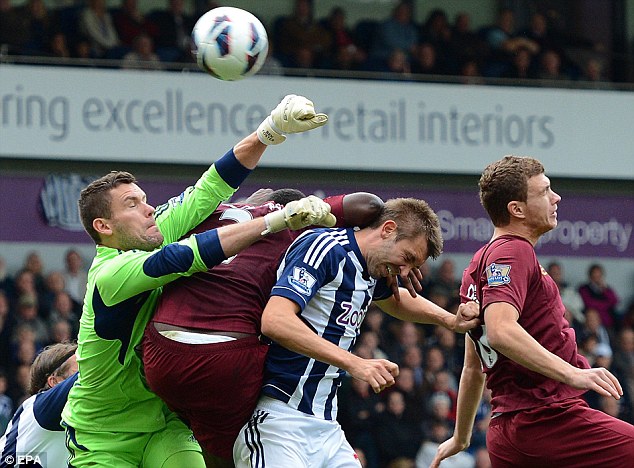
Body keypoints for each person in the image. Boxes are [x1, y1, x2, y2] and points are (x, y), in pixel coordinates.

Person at [60, 94, 330, 468]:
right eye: (132, 205)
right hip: (103, 433)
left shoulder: (153, 231)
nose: (149, 209)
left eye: (144, 199)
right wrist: (274, 221)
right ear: (104, 227)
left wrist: (270, 131)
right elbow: (183, 257)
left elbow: (210, 188)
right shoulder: (109, 274)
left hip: (164, 423)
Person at [142, 188, 388, 467]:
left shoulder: (212, 212)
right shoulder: (297, 228)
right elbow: (369, 204)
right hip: (225, 357)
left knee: (173, 426)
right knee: (239, 445)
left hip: (160, 351)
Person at [234, 197, 480, 467]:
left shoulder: (371, 269)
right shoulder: (326, 248)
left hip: (327, 427)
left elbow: (395, 300)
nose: (405, 272)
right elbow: (275, 320)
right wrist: (355, 363)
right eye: (407, 258)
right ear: (387, 229)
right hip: (280, 422)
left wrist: (450, 320)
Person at [431, 155, 634, 468]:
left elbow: (473, 365)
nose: (556, 197)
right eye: (544, 191)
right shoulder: (513, 251)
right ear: (517, 209)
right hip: (546, 420)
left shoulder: (478, 265)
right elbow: (500, 332)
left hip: (508, 431)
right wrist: (573, 373)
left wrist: (461, 436)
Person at [0, 342, 78, 468]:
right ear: (54, 382)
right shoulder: (40, 405)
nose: (84, 376)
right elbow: (91, 376)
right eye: (78, 372)